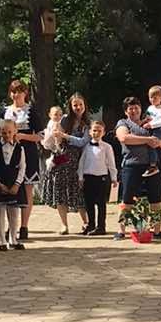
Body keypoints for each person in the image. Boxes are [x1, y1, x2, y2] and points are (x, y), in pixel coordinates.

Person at [116, 96, 161, 239]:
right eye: (130, 108)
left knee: (156, 198)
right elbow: (124, 138)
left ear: (141, 109)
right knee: (127, 199)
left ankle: (157, 231)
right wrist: (147, 140)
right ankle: (121, 231)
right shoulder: (123, 123)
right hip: (131, 165)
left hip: (153, 166)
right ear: (126, 111)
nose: (134, 110)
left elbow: (160, 139)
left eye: (136, 107)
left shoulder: (150, 122)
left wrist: (157, 141)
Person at [42, 93, 91, 235]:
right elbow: (55, 139)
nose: (78, 107)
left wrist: (65, 136)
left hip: (78, 161)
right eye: (75, 105)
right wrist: (57, 138)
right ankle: (64, 224)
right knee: (59, 191)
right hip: (62, 158)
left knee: (79, 192)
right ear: (70, 106)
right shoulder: (64, 120)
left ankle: (86, 222)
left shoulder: (88, 123)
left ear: (84, 106)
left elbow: (83, 142)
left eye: (80, 104)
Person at [2, 81, 42, 238]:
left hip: (28, 153)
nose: (16, 95)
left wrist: (23, 136)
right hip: (8, 153)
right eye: (13, 92)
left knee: (27, 189)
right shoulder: (4, 111)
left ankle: (24, 226)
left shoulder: (31, 111)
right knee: (9, 188)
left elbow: (40, 136)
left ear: (25, 93)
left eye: (19, 91)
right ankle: (11, 226)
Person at [0, 118, 27, 250]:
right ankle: (2, 240)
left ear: (15, 131)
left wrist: (17, 184)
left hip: (13, 182)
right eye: (3, 132)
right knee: (0, 211)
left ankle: (13, 238)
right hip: (0, 182)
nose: (6, 135)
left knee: (14, 212)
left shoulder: (20, 148)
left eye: (9, 132)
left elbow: (22, 167)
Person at [79, 120, 118, 235]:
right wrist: (80, 177)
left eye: (99, 131)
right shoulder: (86, 147)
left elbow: (111, 163)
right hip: (88, 178)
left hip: (101, 178)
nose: (96, 133)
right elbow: (81, 163)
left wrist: (114, 178)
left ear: (104, 133)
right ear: (90, 132)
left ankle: (101, 227)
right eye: (94, 130)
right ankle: (90, 225)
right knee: (89, 203)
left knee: (101, 204)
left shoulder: (107, 147)